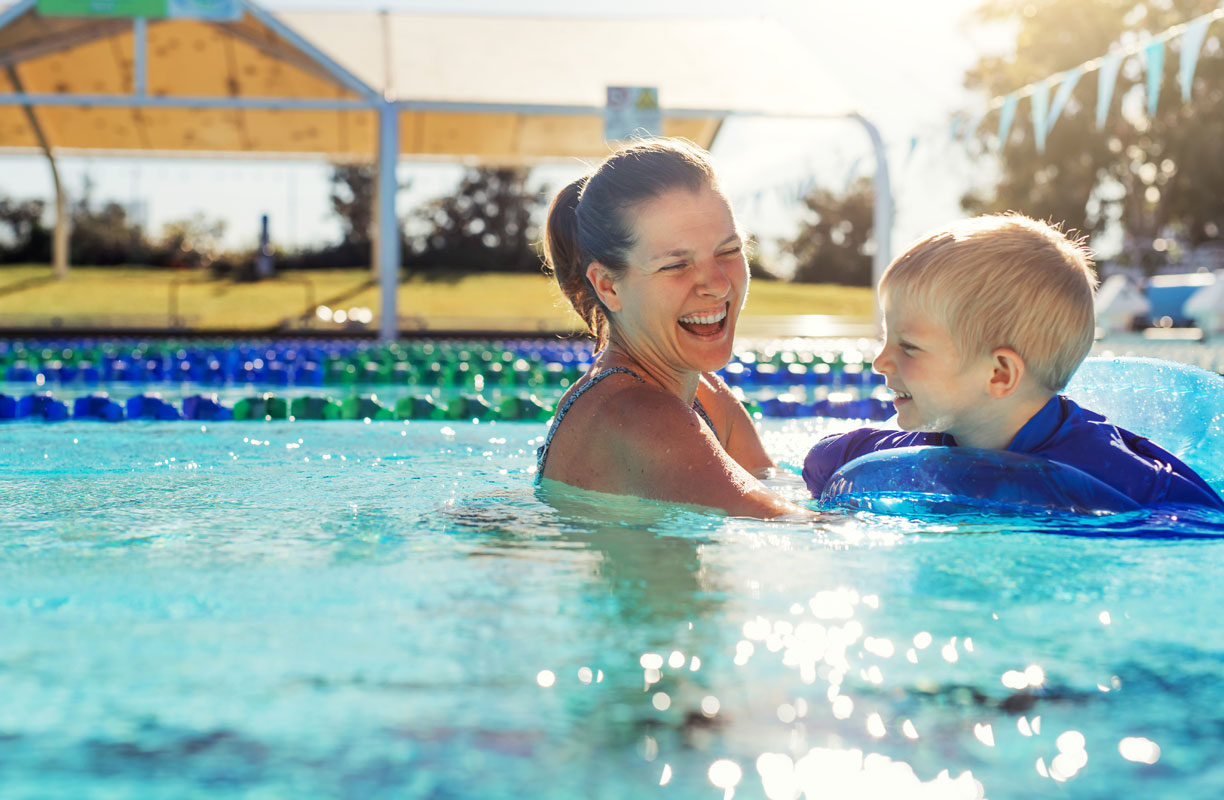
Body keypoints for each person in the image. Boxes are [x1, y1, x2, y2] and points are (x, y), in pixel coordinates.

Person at [802, 213, 1223, 509]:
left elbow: (1201, 526)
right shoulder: (925, 446)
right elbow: (824, 460)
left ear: (999, 373)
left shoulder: (1117, 476)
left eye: (907, 346)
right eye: (885, 338)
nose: (880, 361)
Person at [537, 138, 808, 518]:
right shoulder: (641, 416)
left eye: (729, 251)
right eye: (676, 265)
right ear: (608, 286)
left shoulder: (708, 394)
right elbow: (801, 526)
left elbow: (780, 490)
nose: (717, 284)